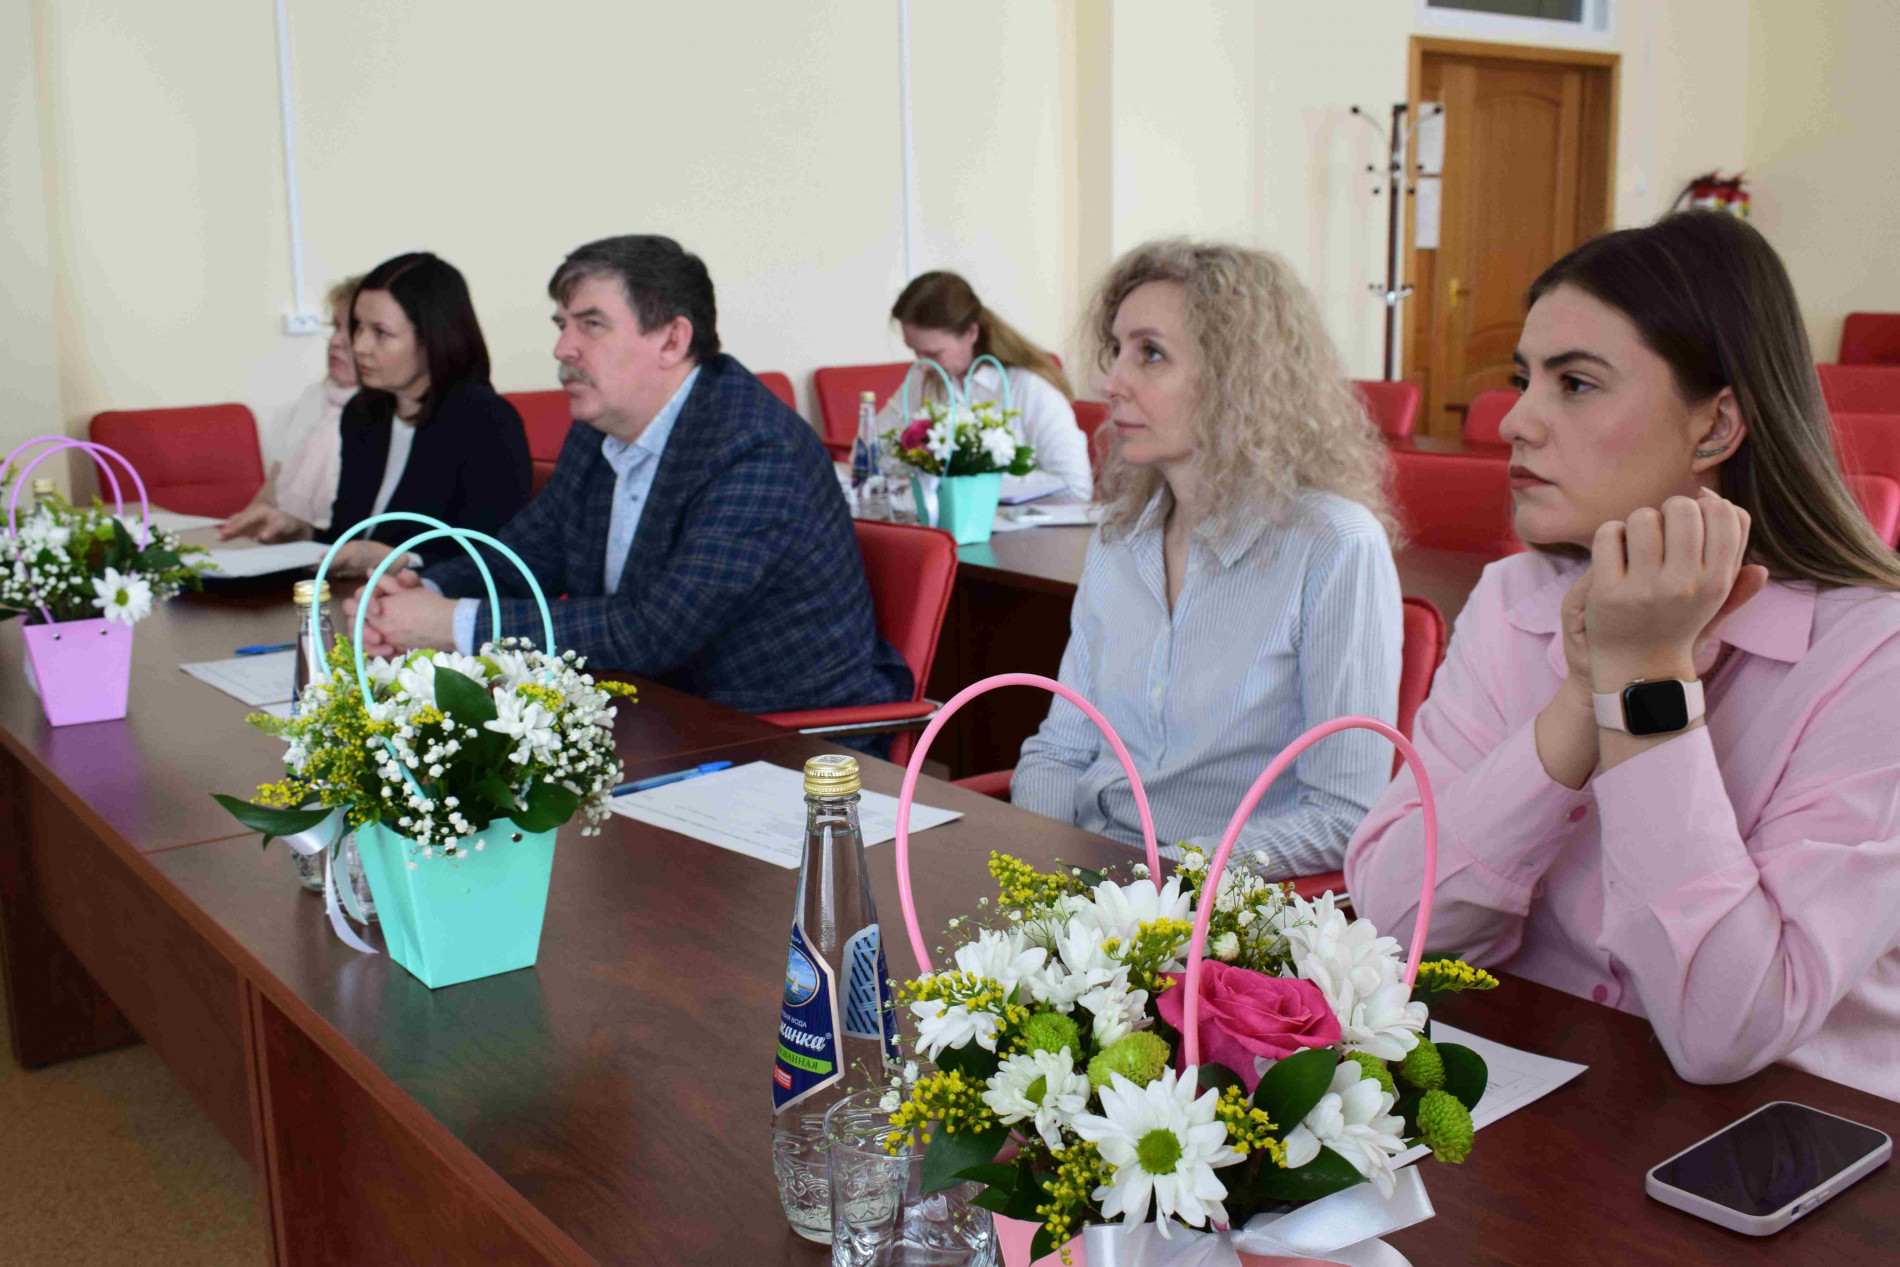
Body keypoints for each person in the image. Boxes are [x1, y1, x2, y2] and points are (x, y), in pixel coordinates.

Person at [1345, 212, 1900, 1099]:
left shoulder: (1875, 657)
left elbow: (1725, 1030)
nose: (1516, 420)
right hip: (1550, 1102)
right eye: (1524, 378)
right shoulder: (1516, 599)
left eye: (1575, 383)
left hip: (1790, 1137)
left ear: (1716, 426)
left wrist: (1646, 679)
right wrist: (1580, 698)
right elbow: (1395, 925)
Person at [346, 234, 912, 717]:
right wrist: (420, 592)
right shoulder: (600, 427)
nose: (563, 348)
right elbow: (527, 554)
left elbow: (654, 628)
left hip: (785, 735)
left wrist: (452, 624)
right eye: (562, 325)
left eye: (591, 325)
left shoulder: (756, 448)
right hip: (653, 713)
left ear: (672, 339)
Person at [1012, 240, 1402, 876]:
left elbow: (1342, 815)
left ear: (1236, 379)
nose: (1110, 382)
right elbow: (1060, 751)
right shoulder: (1120, 536)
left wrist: (1154, 881)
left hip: (1212, 902)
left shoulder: (1335, 546)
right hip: (1094, 877)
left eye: (1150, 354)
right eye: (1116, 349)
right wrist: (1043, 872)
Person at [219, 252, 530, 574]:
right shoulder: (364, 414)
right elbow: (353, 540)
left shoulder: (487, 421)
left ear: (432, 338)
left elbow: (495, 561)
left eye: (381, 332)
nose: (359, 346)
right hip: (359, 595)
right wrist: (299, 532)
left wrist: (402, 561)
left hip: (434, 601)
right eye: (359, 328)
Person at [876, 271, 1092, 499]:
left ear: (971, 333)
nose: (923, 365)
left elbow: (1076, 486)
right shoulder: (924, 379)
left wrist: (970, 483)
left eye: (933, 353)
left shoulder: (1029, 388)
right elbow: (872, 450)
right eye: (915, 351)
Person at [226, 275, 361, 533]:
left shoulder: (389, 415)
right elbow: (269, 495)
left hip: (335, 547)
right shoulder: (314, 397)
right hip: (288, 543)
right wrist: (237, 530)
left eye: (353, 331)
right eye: (335, 327)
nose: (335, 341)